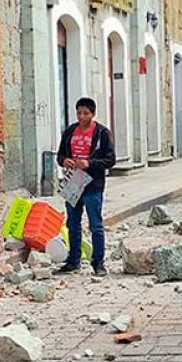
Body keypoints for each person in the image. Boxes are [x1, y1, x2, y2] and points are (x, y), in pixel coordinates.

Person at [55, 97, 117, 276]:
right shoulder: (70, 131)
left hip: (93, 184)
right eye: (79, 113)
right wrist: (64, 161)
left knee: (95, 225)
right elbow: (60, 155)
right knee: (72, 224)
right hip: (73, 183)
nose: (82, 117)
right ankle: (73, 260)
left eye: (86, 113)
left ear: (93, 114)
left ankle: (98, 263)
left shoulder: (102, 133)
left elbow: (110, 159)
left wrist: (89, 163)